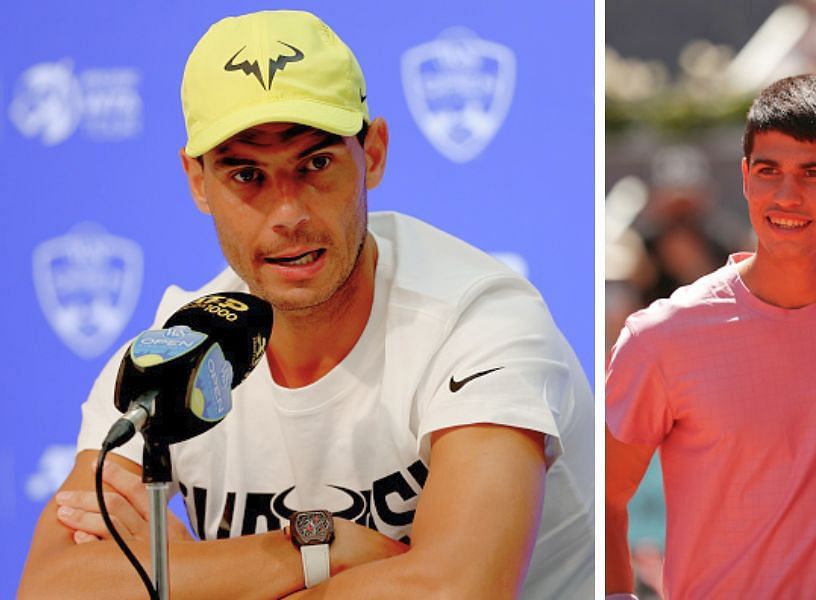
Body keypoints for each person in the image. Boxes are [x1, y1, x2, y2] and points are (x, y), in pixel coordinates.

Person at [18, 10, 593, 599]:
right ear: (197, 181)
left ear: (372, 153)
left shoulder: (480, 322)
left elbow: (454, 590)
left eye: (315, 164)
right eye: (246, 175)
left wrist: (183, 576)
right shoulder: (175, 354)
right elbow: (50, 585)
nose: (288, 214)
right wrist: (317, 548)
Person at [605, 74, 816, 598]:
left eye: (813, 174)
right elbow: (604, 494)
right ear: (744, 177)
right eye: (769, 172)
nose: (786, 196)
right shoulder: (661, 336)